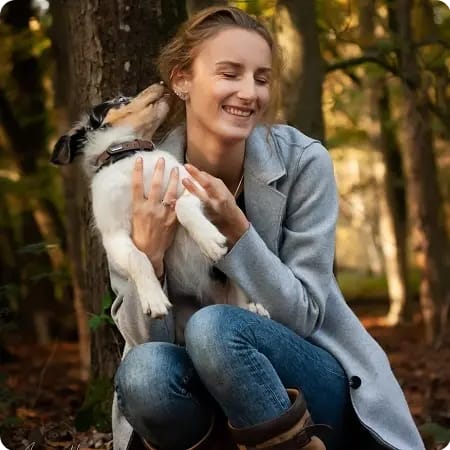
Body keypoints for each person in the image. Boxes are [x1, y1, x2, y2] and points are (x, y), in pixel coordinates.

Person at [110, 6, 425, 450]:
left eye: (261, 77)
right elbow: (143, 342)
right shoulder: (141, 179)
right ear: (182, 80)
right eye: (229, 73)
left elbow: (304, 315)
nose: (248, 92)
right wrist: (150, 257)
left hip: (309, 380)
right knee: (144, 373)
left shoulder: (302, 162)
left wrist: (239, 235)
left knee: (215, 329)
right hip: (198, 392)